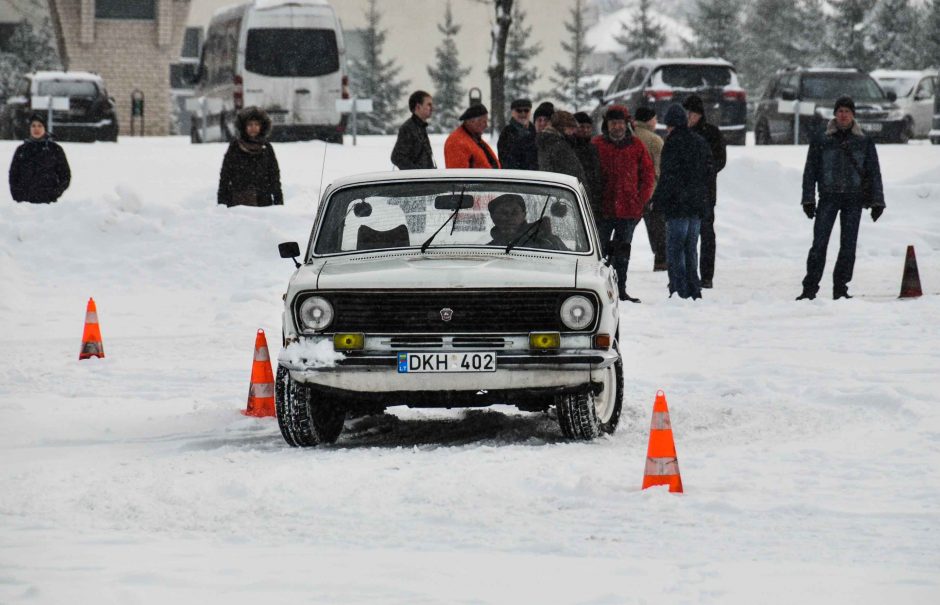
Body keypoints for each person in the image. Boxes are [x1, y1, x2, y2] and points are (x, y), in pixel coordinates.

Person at [797, 96, 885, 300]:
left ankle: (840, 288)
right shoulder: (822, 139)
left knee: (848, 246)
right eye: (840, 111)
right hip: (828, 197)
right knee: (819, 244)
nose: (843, 115)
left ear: (853, 114)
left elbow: (873, 172)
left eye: (847, 111)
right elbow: (810, 170)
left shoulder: (863, 140)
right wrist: (808, 198)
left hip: (854, 198)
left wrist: (878, 201)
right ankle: (810, 288)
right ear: (835, 114)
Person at [591, 105, 655, 302]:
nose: (617, 127)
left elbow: (648, 175)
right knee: (599, 253)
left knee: (622, 253)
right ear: (607, 125)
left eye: (619, 123)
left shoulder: (636, 146)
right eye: (613, 123)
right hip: (603, 210)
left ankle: (621, 289)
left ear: (626, 124)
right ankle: (599, 291)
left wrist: (639, 201)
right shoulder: (597, 145)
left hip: (628, 211)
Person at [649, 104, 712, 300]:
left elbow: (668, 175)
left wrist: (657, 200)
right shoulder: (700, 141)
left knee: (675, 250)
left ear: (670, 125)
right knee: (691, 249)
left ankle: (678, 288)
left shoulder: (672, 143)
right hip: (696, 204)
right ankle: (694, 288)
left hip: (677, 205)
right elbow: (708, 171)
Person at [683, 94, 726, 288]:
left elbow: (720, 160)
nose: (688, 117)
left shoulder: (712, 133)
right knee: (685, 235)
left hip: (706, 192)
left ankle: (707, 276)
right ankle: (687, 274)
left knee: (706, 234)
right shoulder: (680, 133)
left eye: (691, 113)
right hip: (684, 192)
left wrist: (703, 171)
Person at [217, 106, 283, 207]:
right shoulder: (235, 147)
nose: (253, 128)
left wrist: (278, 201)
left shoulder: (267, 148)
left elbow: (274, 175)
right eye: (250, 125)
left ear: (262, 126)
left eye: (257, 124)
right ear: (243, 127)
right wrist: (221, 201)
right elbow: (225, 175)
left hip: (263, 203)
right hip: (237, 203)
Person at [8, 113, 71, 204]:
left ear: (45, 128)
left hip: (48, 203)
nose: (36, 129)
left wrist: (54, 193)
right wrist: (17, 195)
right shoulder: (21, 150)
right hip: (25, 203)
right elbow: (13, 175)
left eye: (39, 126)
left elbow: (65, 175)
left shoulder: (55, 149)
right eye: (33, 126)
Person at [632, 106, 667, 271]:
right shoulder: (654, 140)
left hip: (629, 191)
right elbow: (660, 169)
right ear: (648, 120)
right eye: (654, 118)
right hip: (650, 191)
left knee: (626, 229)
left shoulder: (631, 136)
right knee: (657, 229)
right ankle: (661, 261)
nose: (656, 121)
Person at [486, 193, 566, 250]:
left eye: (515, 212)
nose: (509, 217)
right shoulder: (485, 251)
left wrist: (549, 237)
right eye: (503, 212)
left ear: (524, 215)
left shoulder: (546, 242)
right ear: (493, 217)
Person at [537, 111, 588, 185]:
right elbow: (572, 173)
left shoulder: (550, 142)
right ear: (562, 127)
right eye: (571, 127)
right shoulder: (559, 146)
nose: (573, 131)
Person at [443, 104, 500, 169]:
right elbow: (458, 176)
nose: (486, 125)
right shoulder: (457, 143)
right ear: (471, 122)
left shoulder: (474, 139)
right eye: (484, 122)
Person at [391, 90, 435, 170]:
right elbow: (397, 157)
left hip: (424, 180)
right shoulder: (408, 128)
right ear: (418, 107)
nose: (432, 108)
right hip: (416, 181)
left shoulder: (420, 127)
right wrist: (417, 173)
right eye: (429, 105)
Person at [572, 111, 603, 218]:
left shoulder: (593, 148)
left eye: (588, 127)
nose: (585, 130)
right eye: (581, 126)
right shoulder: (569, 147)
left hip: (593, 200)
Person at [497, 98, 538, 170]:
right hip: (516, 177)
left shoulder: (535, 131)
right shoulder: (507, 133)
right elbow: (506, 161)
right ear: (512, 113)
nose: (523, 113)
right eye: (519, 111)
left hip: (536, 177)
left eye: (526, 110)